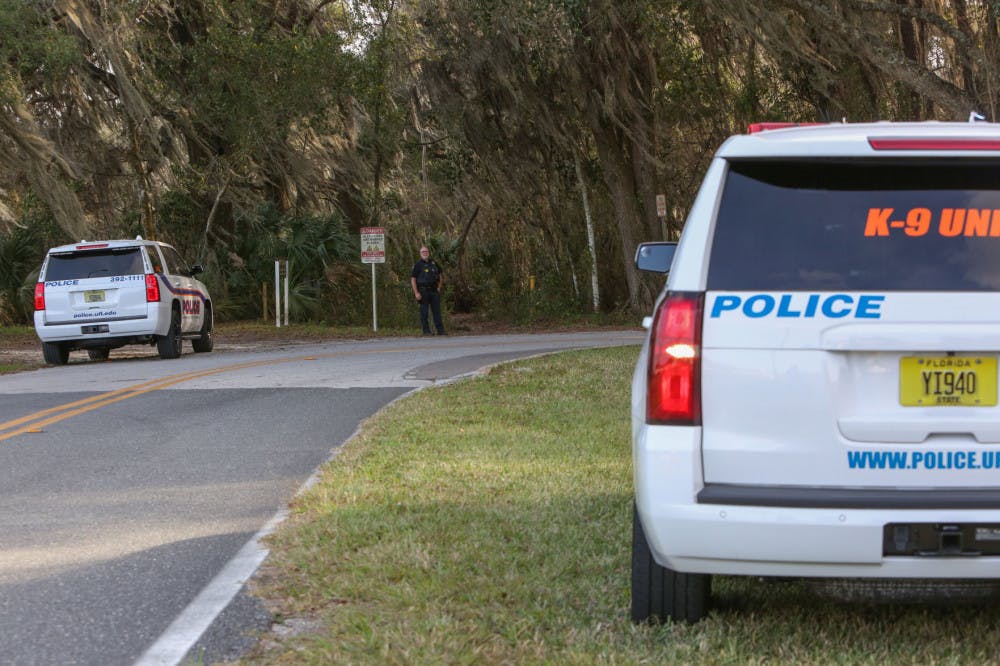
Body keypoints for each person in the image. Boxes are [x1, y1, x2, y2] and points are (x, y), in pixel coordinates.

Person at [410, 246, 446, 335]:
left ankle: (440, 331)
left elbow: (440, 275)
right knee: (424, 312)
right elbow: (413, 279)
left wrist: (439, 287)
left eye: (426, 251)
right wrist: (416, 293)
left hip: (434, 291)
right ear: (420, 253)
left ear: (428, 253)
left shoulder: (434, 263)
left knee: (437, 312)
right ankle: (426, 331)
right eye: (423, 252)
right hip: (423, 291)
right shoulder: (417, 265)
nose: (425, 253)